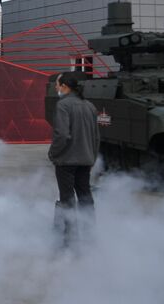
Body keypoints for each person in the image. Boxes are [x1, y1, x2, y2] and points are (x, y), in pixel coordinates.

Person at [48, 72, 100, 248]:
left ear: (64, 86)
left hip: (67, 161)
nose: (55, 88)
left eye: (57, 84)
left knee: (67, 199)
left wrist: (53, 154)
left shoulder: (63, 105)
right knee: (86, 197)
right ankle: (90, 235)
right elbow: (96, 137)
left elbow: (62, 134)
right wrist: (91, 157)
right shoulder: (90, 106)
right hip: (85, 159)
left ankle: (69, 240)